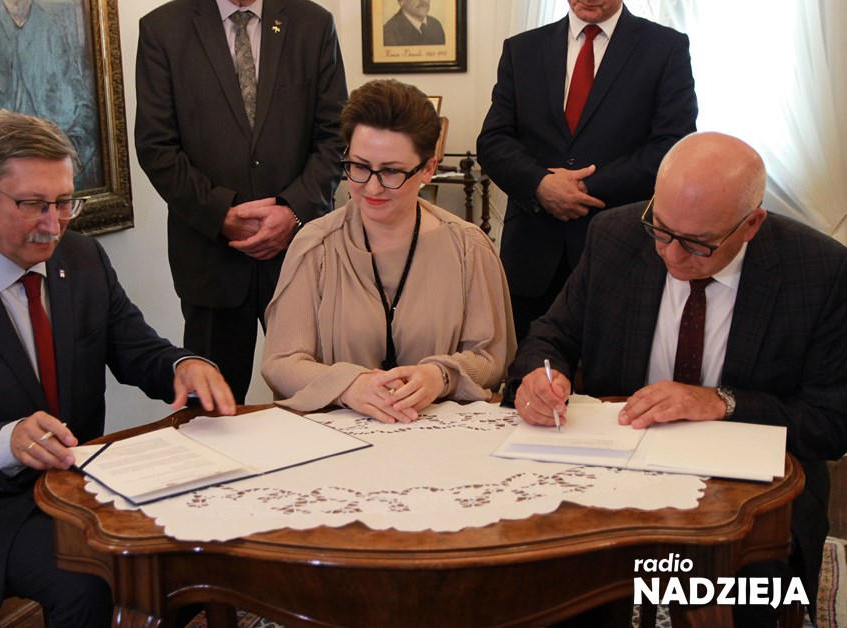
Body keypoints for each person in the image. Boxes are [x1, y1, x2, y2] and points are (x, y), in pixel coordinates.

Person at [0, 111, 236, 626]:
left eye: (64, 202)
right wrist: (6, 442)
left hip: (76, 486)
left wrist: (184, 364)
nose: (53, 224)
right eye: (34, 204)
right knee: (92, 582)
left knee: (195, 546)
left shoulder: (81, 259)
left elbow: (137, 350)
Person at [506, 132, 847, 624]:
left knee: (750, 597)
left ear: (751, 224)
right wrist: (543, 376)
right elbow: (549, 336)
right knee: (556, 584)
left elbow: (832, 424)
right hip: (616, 470)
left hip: (747, 492)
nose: (670, 255)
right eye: (662, 230)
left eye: (697, 244)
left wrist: (721, 402)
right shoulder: (615, 236)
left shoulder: (820, 271)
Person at [261, 79, 515, 423]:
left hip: (439, 436)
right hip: (338, 438)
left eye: (391, 171)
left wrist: (441, 376)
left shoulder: (469, 248)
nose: (372, 187)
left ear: (428, 168)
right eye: (359, 166)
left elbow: (491, 359)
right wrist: (348, 385)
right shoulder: (316, 246)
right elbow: (281, 363)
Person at [135, 0, 348, 403]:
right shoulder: (162, 29)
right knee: (215, 411)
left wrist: (293, 211)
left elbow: (336, 137)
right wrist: (221, 215)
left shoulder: (314, 24)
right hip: (211, 261)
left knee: (320, 402)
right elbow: (156, 147)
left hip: (300, 255)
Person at [476, 0, 697, 341]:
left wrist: (583, 187)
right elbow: (493, 141)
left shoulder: (665, 47)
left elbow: (672, 147)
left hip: (621, 248)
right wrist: (540, 184)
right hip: (533, 253)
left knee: (614, 369)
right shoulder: (522, 49)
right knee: (530, 365)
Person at [0, 0, 101, 189]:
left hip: (56, 179)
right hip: (8, 184)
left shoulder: (52, 29)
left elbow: (86, 110)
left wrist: (68, 160)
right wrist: (4, 176)